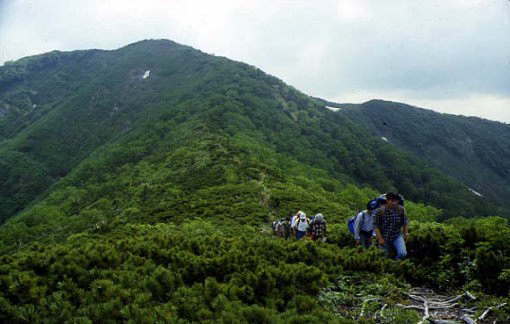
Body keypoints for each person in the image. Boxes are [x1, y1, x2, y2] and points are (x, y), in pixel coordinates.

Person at [374, 192, 409, 259]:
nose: (394, 203)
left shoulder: (401, 209)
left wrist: (406, 233)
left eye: (396, 201)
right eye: (392, 201)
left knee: (402, 254)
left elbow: (405, 222)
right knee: (384, 256)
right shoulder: (380, 211)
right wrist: (380, 238)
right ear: (387, 200)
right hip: (384, 236)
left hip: (397, 236)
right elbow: (376, 226)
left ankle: (396, 265)